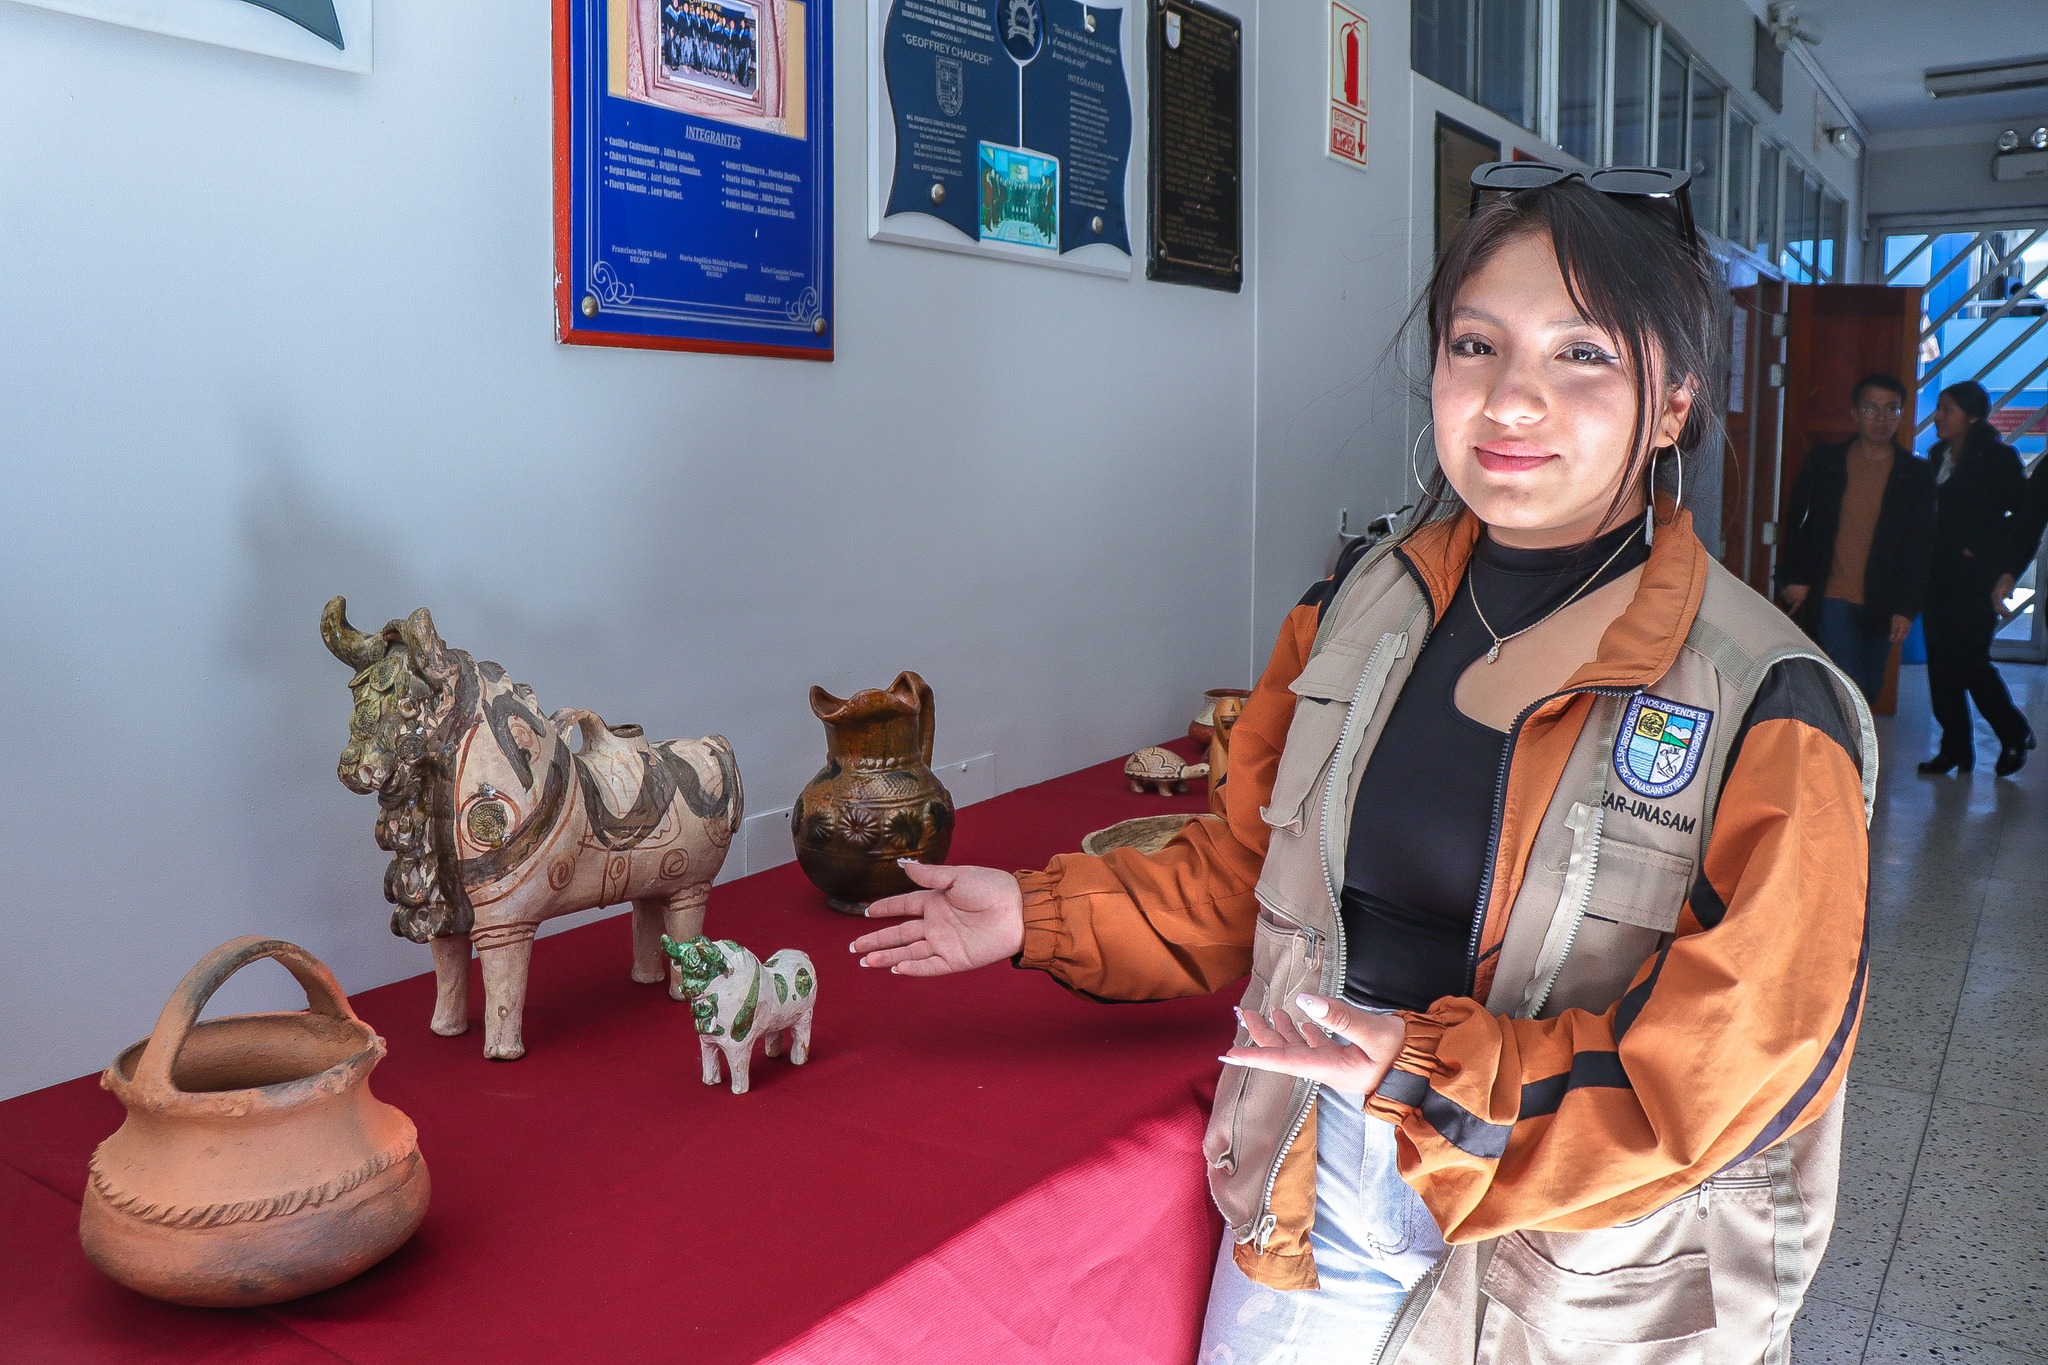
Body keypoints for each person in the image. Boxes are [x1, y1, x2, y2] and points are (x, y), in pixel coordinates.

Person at [851, 169, 1873, 1362]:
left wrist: (1429, 1067)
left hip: (1582, 1262)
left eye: (1581, 355)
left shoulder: (1765, 698)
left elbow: (1729, 1071)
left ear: (1671, 402)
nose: (1510, 399)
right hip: (1316, 1180)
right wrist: (1029, 916)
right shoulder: (1353, 611)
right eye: (1474, 344)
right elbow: (1248, 878)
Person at [1775, 373, 1937, 699]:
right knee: (1849, 685)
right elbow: (1798, 524)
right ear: (1855, 413)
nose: (1881, 419)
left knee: (1869, 687)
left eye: (1891, 410)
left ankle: (1850, 748)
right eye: (1871, 409)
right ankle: (1848, 750)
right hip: (1833, 594)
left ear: (1901, 414)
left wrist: (1907, 608)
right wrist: (1797, 576)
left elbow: (1920, 547)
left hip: (1882, 599)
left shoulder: (1915, 475)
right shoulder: (1825, 462)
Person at [1919, 380, 2033, 776]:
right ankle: (1955, 748)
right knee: (1941, 664)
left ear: (1970, 416)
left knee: (1969, 662)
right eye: (1938, 408)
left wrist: (1986, 553)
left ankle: (2013, 731)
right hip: (1937, 574)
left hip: (1974, 577)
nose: (1938, 416)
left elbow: (2023, 516)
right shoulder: (1937, 456)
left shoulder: (1998, 459)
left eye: (1946, 409)